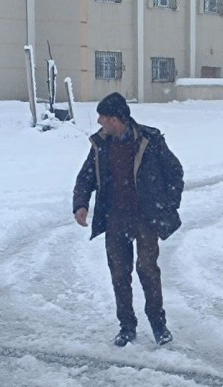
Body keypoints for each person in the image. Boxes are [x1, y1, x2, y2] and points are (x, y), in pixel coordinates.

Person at [73, 92, 184, 347]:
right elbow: (86, 176)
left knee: (148, 270)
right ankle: (126, 326)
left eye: (102, 117)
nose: (99, 122)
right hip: (115, 219)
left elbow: (175, 172)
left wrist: (166, 205)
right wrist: (81, 204)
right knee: (119, 274)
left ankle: (158, 325)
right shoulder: (101, 145)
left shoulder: (150, 141)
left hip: (145, 219)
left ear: (115, 119)